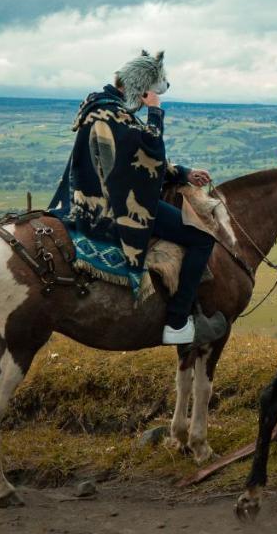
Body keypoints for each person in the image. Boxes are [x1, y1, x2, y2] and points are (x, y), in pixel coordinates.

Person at [48, 50, 227, 345]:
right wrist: (155, 112)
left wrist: (183, 173)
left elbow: (133, 160)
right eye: (154, 88)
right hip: (114, 206)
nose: (158, 93)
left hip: (86, 198)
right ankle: (178, 322)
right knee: (202, 238)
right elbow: (149, 154)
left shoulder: (99, 108)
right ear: (142, 88)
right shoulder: (116, 115)